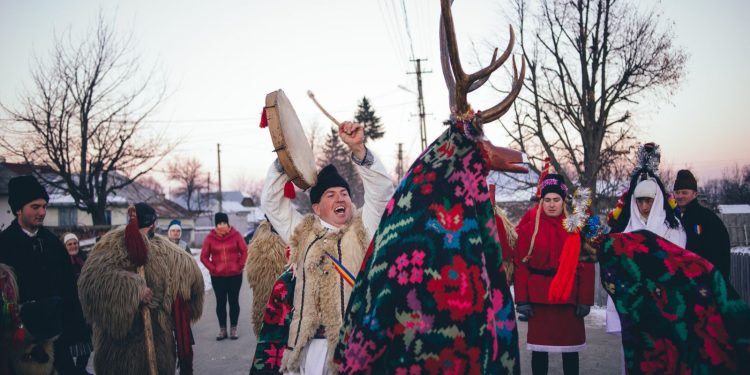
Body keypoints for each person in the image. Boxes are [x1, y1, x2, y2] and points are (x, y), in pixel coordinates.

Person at [261, 121, 394, 373]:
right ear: (316, 208)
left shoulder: (362, 229)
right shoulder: (302, 232)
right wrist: (285, 159)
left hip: (353, 347)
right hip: (307, 348)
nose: (340, 198)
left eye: (344, 193)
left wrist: (359, 151)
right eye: (330, 195)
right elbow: (272, 204)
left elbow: (382, 194)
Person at [78, 202, 204, 374]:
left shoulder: (169, 251)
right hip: (118, 351)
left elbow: (193, 285)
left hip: (157, 345)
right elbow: (90, 282)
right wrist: (134, 289)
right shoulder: (112, 246)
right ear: (152, 224)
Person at [514, 174, 595, 375]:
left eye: (556, 200)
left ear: (563, 201)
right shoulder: (528, 230)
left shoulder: (575, 229)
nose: (551, 205)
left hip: (569, 298)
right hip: (539, 300)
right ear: (542, 201)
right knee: (539, 353)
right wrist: (522, 300)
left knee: (570, 354)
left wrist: (585, 299)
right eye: (547, 200)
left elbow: (586, 264)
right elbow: (520, 266)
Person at [0, 175, 81, 374]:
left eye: (44, 206)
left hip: (55, 339)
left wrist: (76, 334)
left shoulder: (53, 244)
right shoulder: (4, 245)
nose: (42, 212)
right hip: (17, 343)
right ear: (19, 208)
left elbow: (69, 291)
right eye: (35, 207)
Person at [673, 169, 732, 279]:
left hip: (704, 281)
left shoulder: (708, 219)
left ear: (695, 194)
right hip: (680, 282)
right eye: (677, 192)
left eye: (684, 192)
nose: (680, 196)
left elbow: (719, 253)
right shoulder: (672, 218)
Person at [200, 212, 248, 340]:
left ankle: (233, 328)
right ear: (216, 224)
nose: (222, 226)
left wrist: (239, 266)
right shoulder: (210, 238)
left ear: (228, 223)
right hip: (218, 277)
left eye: (224, 223)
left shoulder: (236, 235)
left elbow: (244, 251)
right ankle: (222, 330)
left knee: (233, 301)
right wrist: (213, 268)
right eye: (219, 223)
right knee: (220, 303)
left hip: (235, 276)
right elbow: (203, 257)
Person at [245, 218, 287, 337]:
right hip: (280, 294)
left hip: (265, 295)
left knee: (266, 330)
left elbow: (251, 274)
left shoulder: (258, 239)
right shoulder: (286, 234)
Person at [62, 233, 93, 374]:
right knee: (69, 344)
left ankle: (80, 370)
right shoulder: (61, 262)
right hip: (69, 309)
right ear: (64, 246)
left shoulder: (84, 260)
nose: (73, 246)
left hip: (84, 309)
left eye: (75, 243)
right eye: (70, 244)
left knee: (85, 346)